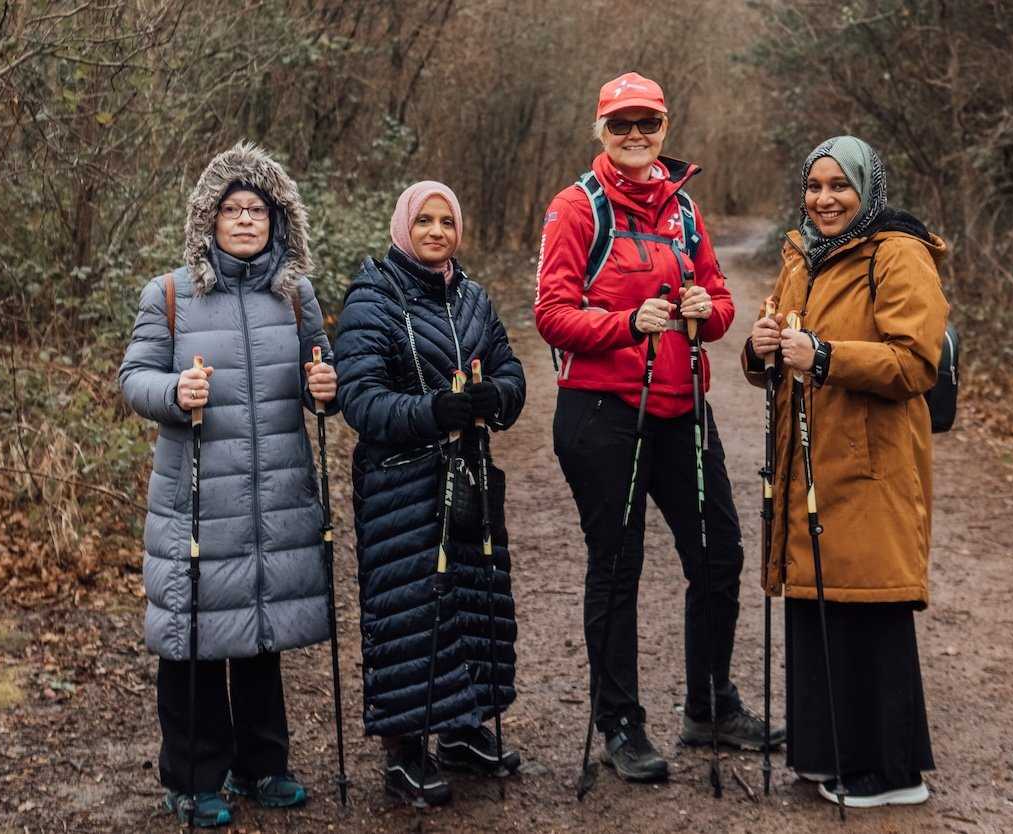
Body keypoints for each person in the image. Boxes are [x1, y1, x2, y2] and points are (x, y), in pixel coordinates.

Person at [534, 71, 784, 785]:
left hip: (680, 407)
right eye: (621, 125)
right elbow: (551, 313)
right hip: (602, 412)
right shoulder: (576, 208)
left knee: (720, 553)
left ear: (666, 129)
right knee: (618, 568)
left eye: (648, 123)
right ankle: (620, 721)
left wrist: (709, 308)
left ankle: (708, 706)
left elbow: (722, 304)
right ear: (600, 132)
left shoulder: (685, 211)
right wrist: (622, 325)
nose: (635, 135)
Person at [119, 141, 338, 828]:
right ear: (208, 219)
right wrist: (174, 390)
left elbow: (322, 384)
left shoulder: (295, 295)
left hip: (273, 492)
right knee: (193, 635)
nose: (246, 220)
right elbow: (133, 379)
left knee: (261, 629)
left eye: (259, 209)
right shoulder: (172, 294)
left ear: (278, 221)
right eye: (232, 208)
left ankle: (264, 766)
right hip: (197, 498)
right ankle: (191, 776)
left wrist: (325, 390)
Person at [742, 135, 948, 807]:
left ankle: (890, 773)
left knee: (870, 604)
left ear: (867, 189)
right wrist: (761, 347)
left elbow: (916, 363)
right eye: (814, 186)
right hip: (807, 462)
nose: (824, 199)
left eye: (839, 187)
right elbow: (780, 340)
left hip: (871, 463)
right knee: (818, 602)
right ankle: (824, 751)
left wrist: (825, 356)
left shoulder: (898, 253)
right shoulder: (804, 253)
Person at [333, 181, 526, 806]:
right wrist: (433, 410)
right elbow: (358, 399)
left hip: (466, 473)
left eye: (447, 221)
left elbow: (510, 369)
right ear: (403, 227)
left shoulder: (472, 297)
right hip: (399, 483)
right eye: (425, 221)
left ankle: (464, 733)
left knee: (475, 599)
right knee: (412, 612)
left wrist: (497, 398)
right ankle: (404, 750)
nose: (437, 231)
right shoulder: (373, 296)